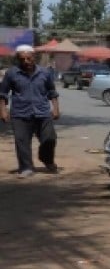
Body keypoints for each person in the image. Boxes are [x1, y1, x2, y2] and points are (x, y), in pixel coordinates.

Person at [0, 44, 61, 177]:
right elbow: (3, 93)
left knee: (50, 138)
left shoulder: (44, 73)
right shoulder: (11, 73)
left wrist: (55, 108)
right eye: (22, 59)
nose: (26, 62)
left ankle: (47, 159)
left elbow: (52, 92)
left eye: (29, 58)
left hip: (43, 112)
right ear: (18, 59)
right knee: (22, 142)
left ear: (34, 57)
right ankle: (26, 167)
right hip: (20, 113)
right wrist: (3, 110)